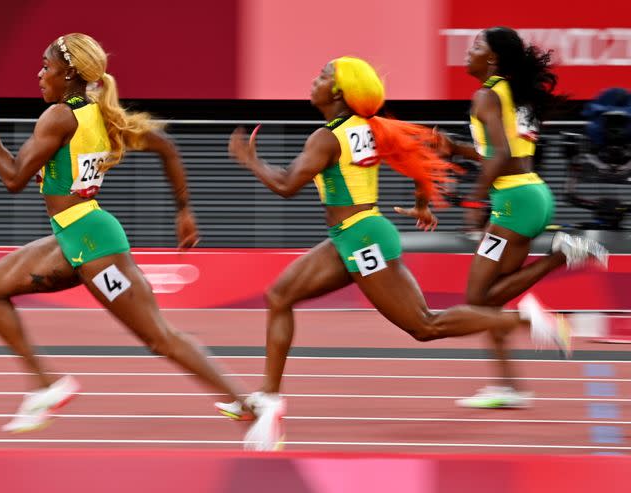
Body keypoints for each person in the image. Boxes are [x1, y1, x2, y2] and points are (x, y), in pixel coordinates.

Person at [215, 56, 570, 451]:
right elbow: (417, 156)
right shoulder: (367, 127)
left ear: (338, 91)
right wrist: (422, 203)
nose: (314, 81)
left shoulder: (326, 138)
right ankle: (270, 400)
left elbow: (286, 185)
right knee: (279, 295)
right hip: (351, 235)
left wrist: (250, 161)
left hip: (364, 240)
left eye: (322, 76)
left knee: (424, 326)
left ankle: (523, 319)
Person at [0, 33, 251, 432]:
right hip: (72, 236)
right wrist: (184, 210)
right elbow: (166, 147)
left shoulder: (61, 116)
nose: (40, 75)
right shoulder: (98, 115)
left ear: (68, 73)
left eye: (46, 67)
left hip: (93, 243)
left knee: (158, 337)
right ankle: (46, 386)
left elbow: (14, 178)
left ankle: (249, 406)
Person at [434, 27, 608, 409]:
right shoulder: (511, 94)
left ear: (493, 59)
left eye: (477, 46)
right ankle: (508, 386)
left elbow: (499, 159)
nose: (469, 51)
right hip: (528, 195)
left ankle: (558, 263)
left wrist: (473, 203)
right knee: (487, 304)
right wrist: (457, 148)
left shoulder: (486, 95)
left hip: (513, 202)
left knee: (476, 301)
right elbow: (502, 154)